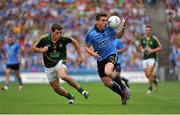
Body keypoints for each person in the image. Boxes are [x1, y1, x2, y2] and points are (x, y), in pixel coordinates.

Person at [32, 23, 89, 104]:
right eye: (57, 33)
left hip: (60, 60)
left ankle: (82, 91)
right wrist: (42, 50)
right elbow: (33, 48)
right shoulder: (44, 39)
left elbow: (75, 42)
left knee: (62, 75)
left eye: (60, 33)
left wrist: (80, 56)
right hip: (48, 66)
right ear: (52, 32)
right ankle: (69, 96)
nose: (59, 35)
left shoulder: (64, 38)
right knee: (56, 88)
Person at [84, 13, 130, 105]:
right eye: (103, 20)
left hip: (111, 54)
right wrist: (93, 53)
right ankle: (122, 95)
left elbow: (119, 36)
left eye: (106, 20)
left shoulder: (109, 28)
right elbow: (86, 47)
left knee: (108, 72)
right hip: (100, 59)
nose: (105, 22)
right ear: (97, 21)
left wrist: (123, 27)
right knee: (107, 83)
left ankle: (123, 87)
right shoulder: (91, 33)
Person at [139, 24, 162, 94]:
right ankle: (155, 81)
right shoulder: (143, 38)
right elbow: (140, 46)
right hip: (145, 58)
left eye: (149, 30)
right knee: (147, 75)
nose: (147, 31)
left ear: (151, 31)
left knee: (149, 73)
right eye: (146, 30)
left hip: (152, 58)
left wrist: (152, 50)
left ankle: (150, 88)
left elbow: (160, 47)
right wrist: (142, 50)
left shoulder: (154, 38)